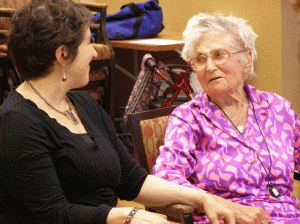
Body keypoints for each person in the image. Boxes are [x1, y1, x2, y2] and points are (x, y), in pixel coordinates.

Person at [0, 1, 249, 224]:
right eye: (88, 42)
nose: (95, 52)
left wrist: (203, 199)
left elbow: (132, 180)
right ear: (63, 54)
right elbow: (53, 214)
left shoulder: (82, 104)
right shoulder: (16, 123)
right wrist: (128, 215)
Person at [153, 12, 300, 224]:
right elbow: (166, 177)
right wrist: (224, 206)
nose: (210, 66)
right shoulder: (189, 118)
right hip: (224, 219)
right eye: (200, 59)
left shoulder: (278, 108)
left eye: (219, 55)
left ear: (246, 59)